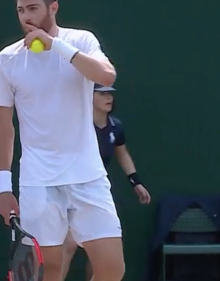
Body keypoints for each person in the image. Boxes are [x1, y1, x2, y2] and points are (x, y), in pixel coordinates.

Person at [0, 0, 124, 281]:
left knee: (113, 268)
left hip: (88, 177)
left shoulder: (82, 41)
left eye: (34, 8)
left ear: (53, 8)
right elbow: (3, 126)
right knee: (47, 271)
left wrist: (57, 47)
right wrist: (3, 187)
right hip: (39, 181)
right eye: (21, 10)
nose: (27, 17)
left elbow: (107, 74)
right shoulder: (7, 59)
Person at [61, 84, 152, 281]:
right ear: (89, 96)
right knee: (68, 245)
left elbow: (122, 154)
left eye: (110, 94)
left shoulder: (115, 127)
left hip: (98, 192)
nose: (108, 98)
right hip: (71, 190)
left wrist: (136, 182)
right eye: (102, 94)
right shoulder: (76, 126)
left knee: (99, 249)